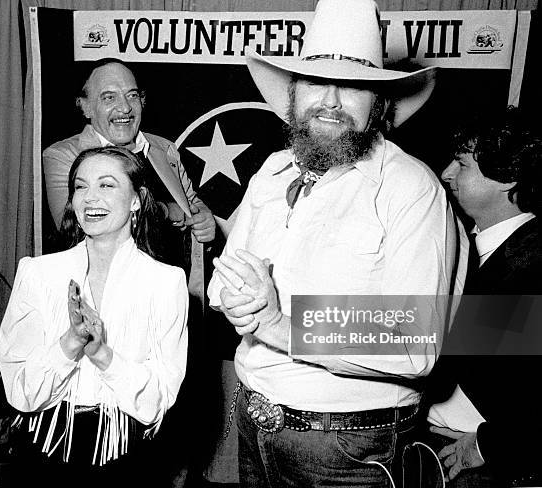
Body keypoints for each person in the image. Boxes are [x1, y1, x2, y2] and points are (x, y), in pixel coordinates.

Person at [207, 0, 467, 486]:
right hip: (254, 426)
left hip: (348, 450)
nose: (329, 100)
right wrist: (235, 299)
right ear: (293, 93)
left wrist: (280, 323)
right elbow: (227, 279)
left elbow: (413, 338)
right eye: (315, 82)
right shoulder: (272, 171)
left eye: (351, 86)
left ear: (379, 103)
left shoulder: (411, 188)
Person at [0, 146, 188, 486]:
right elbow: (20, 390)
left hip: (127, 456)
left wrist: (102, 355)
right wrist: (70, 343)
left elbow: (157, 400)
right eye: (80, 186)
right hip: (42, 449)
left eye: (106, 185)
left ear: (136, 199)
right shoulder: (37, 273)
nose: (89, 198)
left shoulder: (165, 281)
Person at [426, 106, 542, 486]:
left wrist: (488, 446)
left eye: (462, 164)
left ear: (507, 177)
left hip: (478, 465)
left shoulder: (533, 267)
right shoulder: (466, 243)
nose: (446, 174)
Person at [43, 59, 215, 245]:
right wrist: (165, 210)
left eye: (132, 96)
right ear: (86, 107)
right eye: (109, 97)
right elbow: (75, 230)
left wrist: (203, 217)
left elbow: (191, 203)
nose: (125, 108)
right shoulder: (63, 156)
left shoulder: (164, 148)